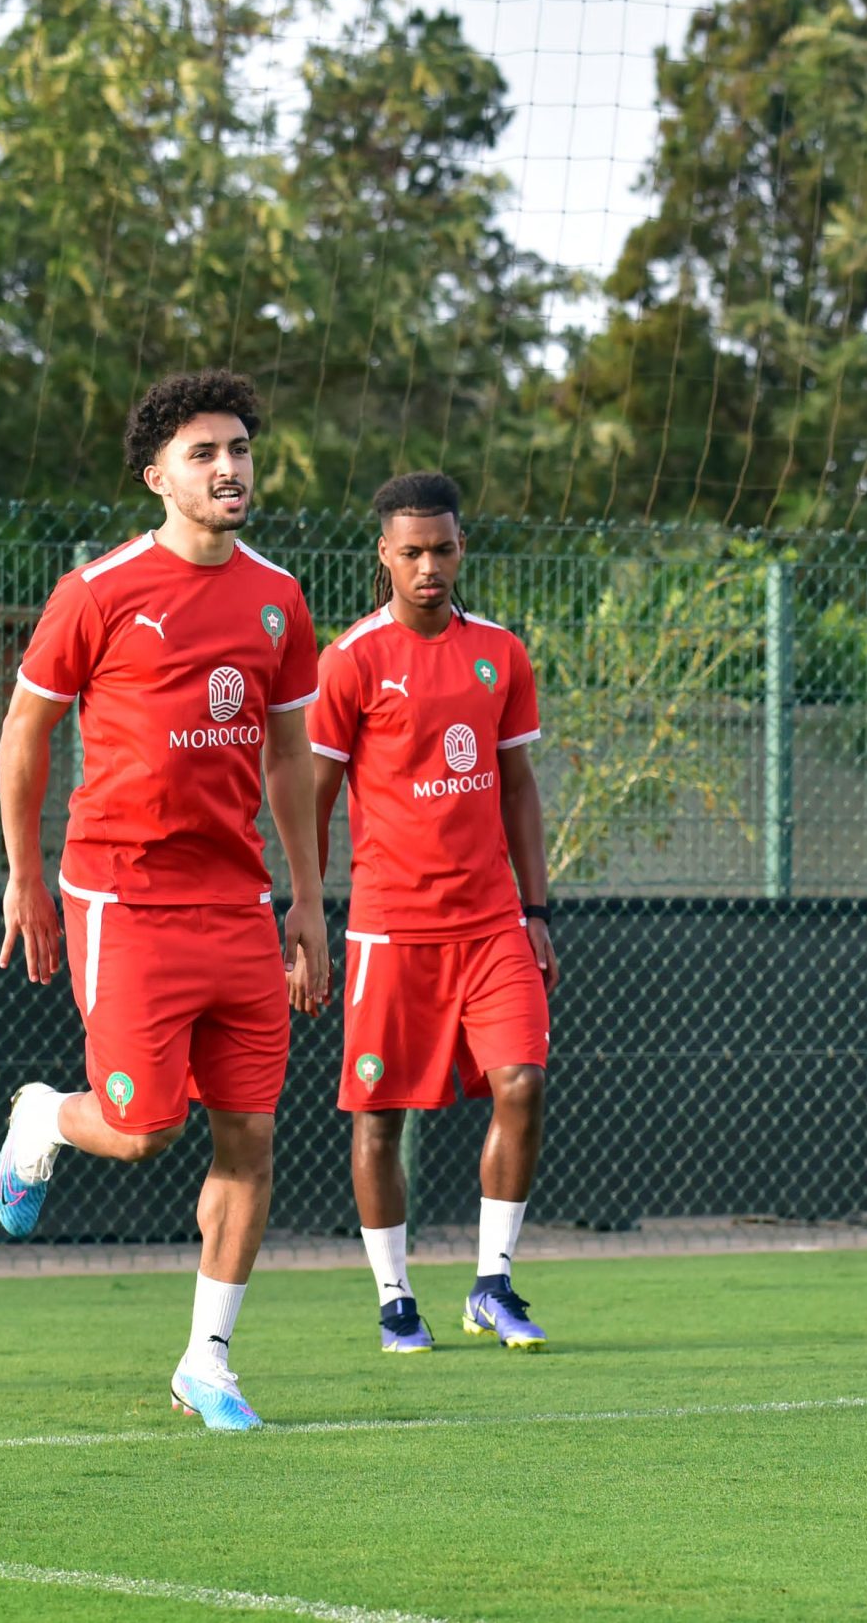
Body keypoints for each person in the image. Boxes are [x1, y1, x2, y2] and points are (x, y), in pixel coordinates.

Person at [0, 370, 331, 1431]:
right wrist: (25, 873)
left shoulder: (279, 597)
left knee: (250, 1138)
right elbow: (24, 733)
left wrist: (308, 899)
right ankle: (45, 1114)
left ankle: (206, 1361)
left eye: (239, 449)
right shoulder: (97, 591)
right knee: (143, 1129)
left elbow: (289, 756)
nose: (229, 468)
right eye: (203, 454)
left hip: (239, 904)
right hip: (123, 897)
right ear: (157, 478)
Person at [310, 472, 559, 1354]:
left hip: (492, 923)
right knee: (380, 1118)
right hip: (391, 930)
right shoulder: (350, 660)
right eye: (411, 552)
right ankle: (395, 1299)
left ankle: (493, 1284)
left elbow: (519, 788)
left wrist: (536, 908)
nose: (429, 567)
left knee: (522, 1084)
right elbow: (311, 799)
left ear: (462, 549)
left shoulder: (501, 653)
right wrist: (306, 915)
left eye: (443, 549)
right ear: (384, 554)